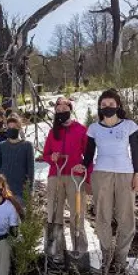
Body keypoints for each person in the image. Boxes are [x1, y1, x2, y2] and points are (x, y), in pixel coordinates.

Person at [82, 89, 138, 273]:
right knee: (103, 216)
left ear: (118, 105)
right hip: (101, 174)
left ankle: (121, 259)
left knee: (126, 217)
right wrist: (84, 171)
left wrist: (137, 174)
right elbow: (89, 156)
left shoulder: (129, 126)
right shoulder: (94, 128)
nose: (108, 107)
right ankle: (106, 257)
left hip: (125, 173)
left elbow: (136, 151)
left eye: (111, 104)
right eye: (104, 104)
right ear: (100, 107)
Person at [41, 96, 90, 263]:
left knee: (77, 214)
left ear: (70, 109)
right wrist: (52, 157)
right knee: (54, 215)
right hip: (56, 175)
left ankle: (80, 253)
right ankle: (56, 251)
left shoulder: (81, 129)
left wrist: (86, 173)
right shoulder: (52, 132)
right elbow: (45, 154)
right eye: (58, 109)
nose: (61, 112)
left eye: (65, 108)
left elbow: (88, 156)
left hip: (75, 176)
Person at [0, 114, 36, 212]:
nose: (11, 129)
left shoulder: (27, 145)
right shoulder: (1, 146)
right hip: (2, 189)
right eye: (9, 127)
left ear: (19, 128)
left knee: (18, 217)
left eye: (14, 127)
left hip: (20, 190)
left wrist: (30, 190)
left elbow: (31, 169)